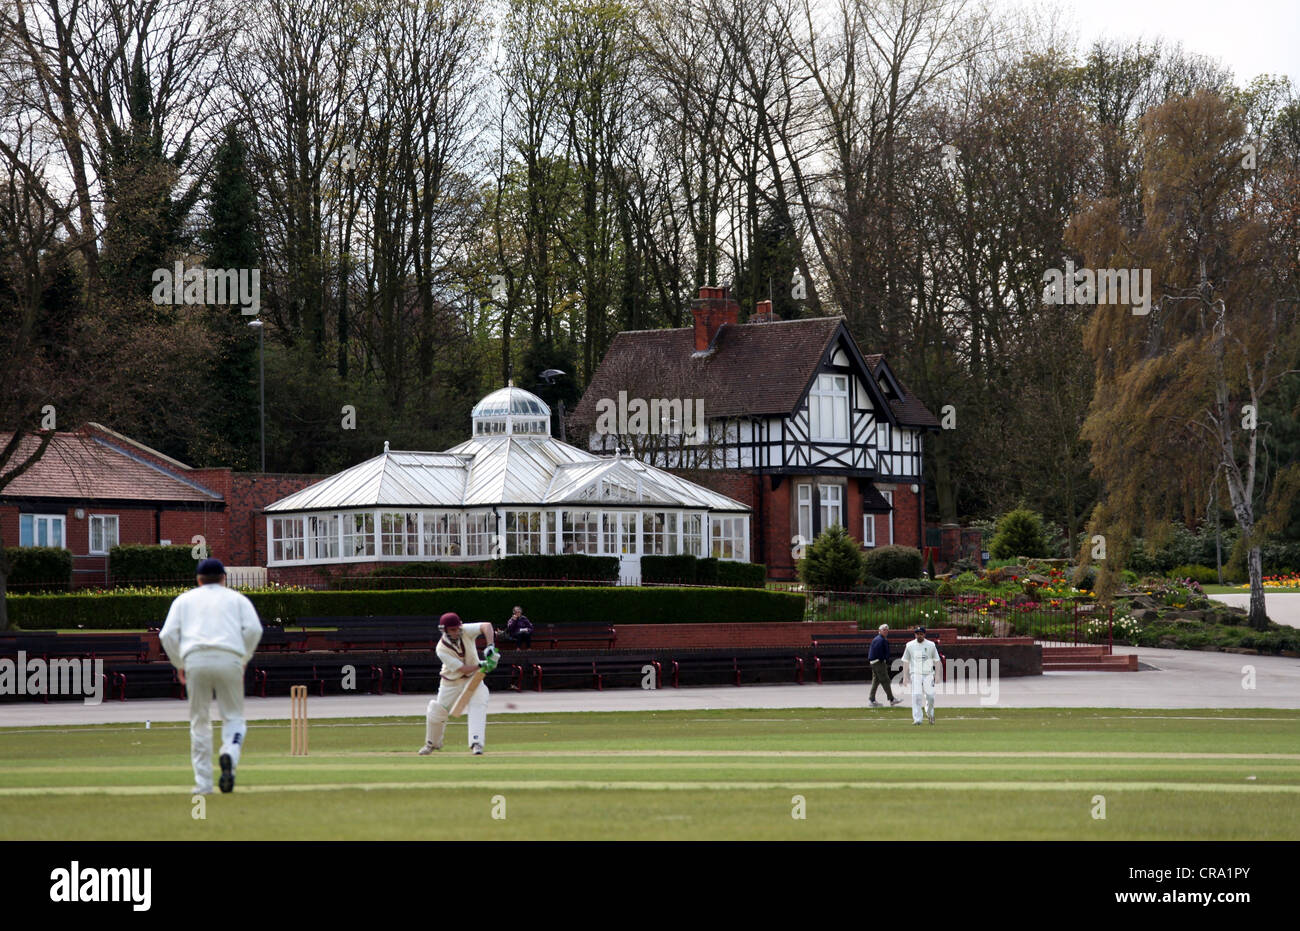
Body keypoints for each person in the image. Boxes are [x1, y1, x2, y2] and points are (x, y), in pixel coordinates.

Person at [159, 558, 263, 794]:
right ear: (224, 578)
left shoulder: (184, 600)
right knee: (234, 717)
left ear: (198, 580)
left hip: (195, 660)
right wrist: (243, 658)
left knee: (200, 721)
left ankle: (204, 784)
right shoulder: (237, 599)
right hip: (230, 659)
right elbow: (255, 630)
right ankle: (229, 753)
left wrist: (180, 662)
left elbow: (166, 635)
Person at [419, 612, 499, 756]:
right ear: (445, 630)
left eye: (457, 628)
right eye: (452, 630)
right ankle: (431, 744)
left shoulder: (465, 630)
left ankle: (477, 744)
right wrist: (483, 663)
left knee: (479, 701)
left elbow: (487, 626)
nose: (456, 632)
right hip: (451, 681)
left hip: (473, 678)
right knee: (437, 710)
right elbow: (462, 668)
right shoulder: (441, 649)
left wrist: (490, 646)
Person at [901, 625, 942, 725]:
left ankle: (930, 713)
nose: (919, 636)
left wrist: (937, 675)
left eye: (921, 634)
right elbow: (906, 661)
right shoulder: (909, 645)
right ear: (915, 634)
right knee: (916, 696)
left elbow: (937, 661)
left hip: (928, 674)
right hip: (915, 673)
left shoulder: (931, 645)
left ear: (924, 634)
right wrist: (905, 677)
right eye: (917, 634)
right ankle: (917, 719)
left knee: (930, 697)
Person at [868, 624, 901, 707]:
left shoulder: (878, 639)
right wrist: (884, 659)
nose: (886, 631)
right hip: (878, 663)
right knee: (885, 680)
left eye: (887, 630)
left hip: (875, 662)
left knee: (876, 681)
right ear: (879, 631)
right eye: (884, 629)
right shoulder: (881, 640)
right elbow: (880, 653)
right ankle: (892, 699)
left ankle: (872, 699)